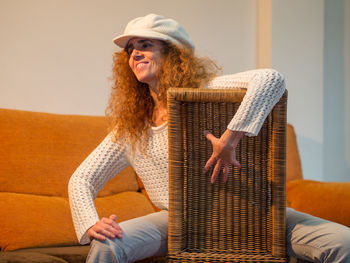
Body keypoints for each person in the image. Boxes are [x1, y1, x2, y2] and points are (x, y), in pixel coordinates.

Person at [68, 14, 350, 263]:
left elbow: (271, 79)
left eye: (145, 45)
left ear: (173, 53)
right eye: (130, 49)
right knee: (107, 246)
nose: (135, 54)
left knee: (343, 243)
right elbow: (82, 179)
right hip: (179, 221)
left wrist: (230, 139)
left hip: (255, 214)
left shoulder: (206, 93)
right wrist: (90, 223)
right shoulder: (132, 128)